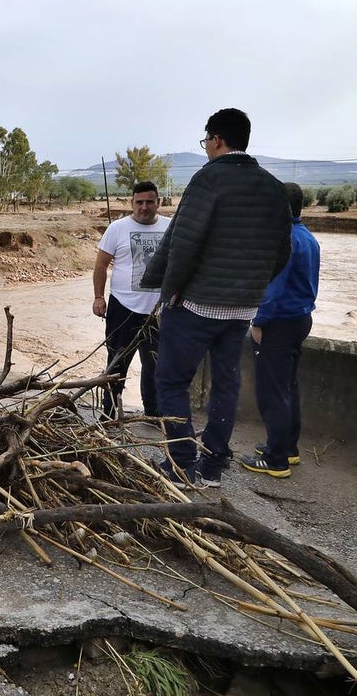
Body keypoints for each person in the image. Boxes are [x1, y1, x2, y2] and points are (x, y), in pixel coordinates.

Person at [141, 108, 291, 488]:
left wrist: (169, 292)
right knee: (227, 382)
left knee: (172, 380)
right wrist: (250, 287)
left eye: (206, 141)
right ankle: (212, 466)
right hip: (242, 308)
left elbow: (184, 243)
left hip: (196, 305)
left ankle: (182, 461)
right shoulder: (274, 188)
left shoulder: (209, 179)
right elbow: (282, 252)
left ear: (217, 139)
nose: (206, 147)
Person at [239, 183, 320, 478]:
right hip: (300, 319)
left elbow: (273, 290)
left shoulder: (284, 241)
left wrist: (258, 322)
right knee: (288, 387)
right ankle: (287, 448)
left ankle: (275, 460)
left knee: (272, 391)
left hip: (279, 323)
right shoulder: (307, 237)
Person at [92, 181, 170, 419]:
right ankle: (110, 412)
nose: (144, 207)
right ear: (132, 203)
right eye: (139, 202)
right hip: (123, 308)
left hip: (159, 311)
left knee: (155, 365)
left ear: (158, 203)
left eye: (149, 202)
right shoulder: (117, 228)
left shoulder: (171, 227)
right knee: (117, 362)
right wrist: (98, 297)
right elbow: (101, 264)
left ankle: (153, 412)